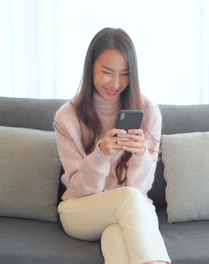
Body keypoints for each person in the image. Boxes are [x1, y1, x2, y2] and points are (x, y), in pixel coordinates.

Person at [54, 27, 171, 264]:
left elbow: (141, 188)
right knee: (128, 199)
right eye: (107, 72)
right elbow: (81, 189)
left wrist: (139, 155)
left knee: (116, 237)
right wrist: (101, 154)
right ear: (90, 69)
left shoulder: (148, 111)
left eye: (125, 74)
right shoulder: (67, 117)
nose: (116, 83)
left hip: (131, 210)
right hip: (81, 209)